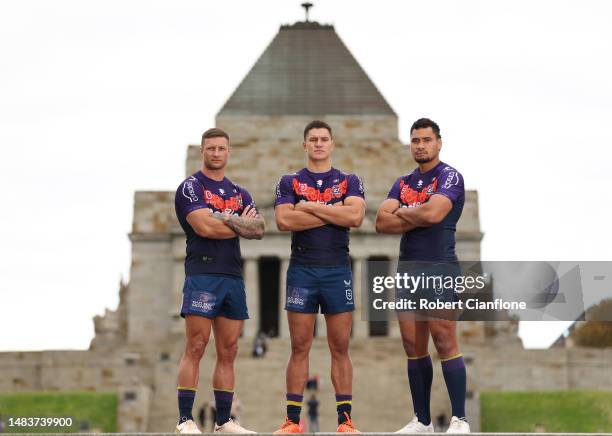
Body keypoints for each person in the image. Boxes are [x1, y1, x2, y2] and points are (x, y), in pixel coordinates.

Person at [375, 118, 470, 434]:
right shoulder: (402, 183)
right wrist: (417, 213)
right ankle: (422, 420)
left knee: (444, 339)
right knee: (412, 344)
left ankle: (459, 418)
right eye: (415, 140)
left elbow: (435, 213)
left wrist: (404, 212)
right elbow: (381, 223)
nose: (420, 145)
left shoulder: (450, 176)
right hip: (408, 269)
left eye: (426, 140)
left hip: (439, 265)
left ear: (438, 143)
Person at [274, 120, 365, 433]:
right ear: (304, 144)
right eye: (312, 139)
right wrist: (332, 211)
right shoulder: (289, 181)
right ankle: (291, 420)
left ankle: (345, 420)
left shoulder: (350, 180)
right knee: (300, 346)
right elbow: (284, 220)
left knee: (340, 346)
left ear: (332, 144)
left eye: (324, 139)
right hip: (302, 270)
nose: (318, 144)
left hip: (337, 270)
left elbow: (355, 216)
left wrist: (310, 207)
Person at [174, 127, 265, 434]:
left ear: (229, 152)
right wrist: (237, 222)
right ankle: (185, 419)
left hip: (232, 276)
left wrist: (222, 217)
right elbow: (203, 228)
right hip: (202, 272)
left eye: (221, 148)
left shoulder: (240, 193)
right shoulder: (190, 187)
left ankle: (223, 420)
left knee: (229, 349)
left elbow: (259, 229)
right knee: (196, 345)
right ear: (202, 151)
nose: (216, 153)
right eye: (210, 148)